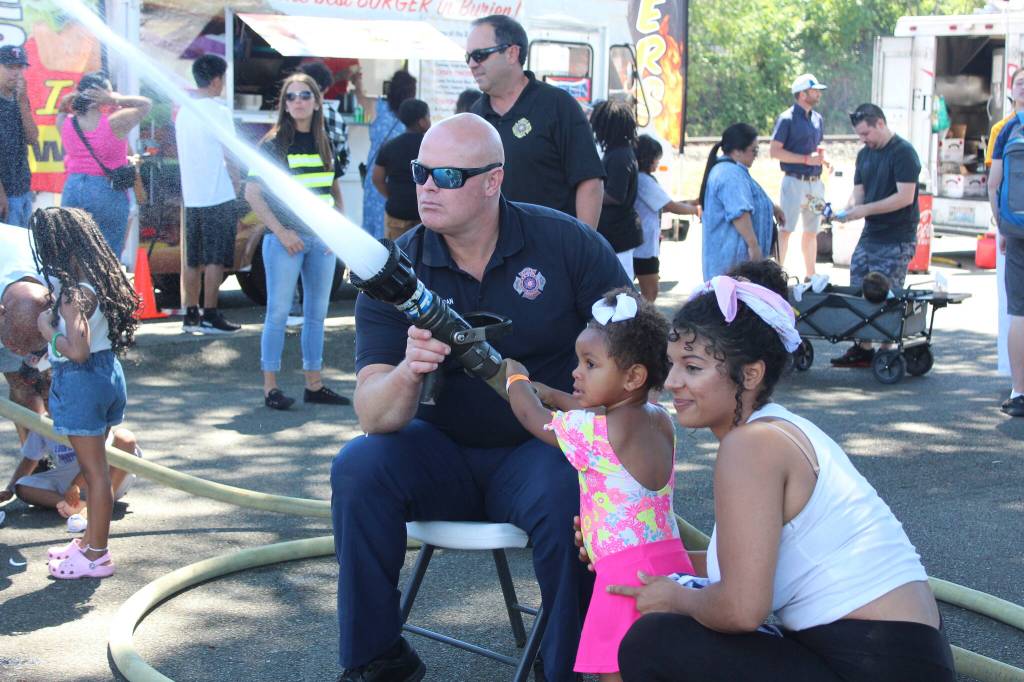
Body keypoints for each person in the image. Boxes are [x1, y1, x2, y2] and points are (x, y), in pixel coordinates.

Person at [329, 113, 630, 682]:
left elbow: (638, 355)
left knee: (569, 487)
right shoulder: (393, 271)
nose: (425, 186)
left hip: (538, 449)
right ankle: (376, 658)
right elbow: (373, 414)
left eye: (445, 175)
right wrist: (409, 372)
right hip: (437, 451)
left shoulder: (566, 244)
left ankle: (569, 667)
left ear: (493, 181)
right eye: (420, 171)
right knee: (358, 467)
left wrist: (575, 410)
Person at [612, 260, 955, 682]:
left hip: (872, 661)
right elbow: (735, 568)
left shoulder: (752, 446)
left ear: (751, 374)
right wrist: (621, 552)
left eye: (693, 367)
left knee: (655, 640)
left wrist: (675, 597)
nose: (672, 382)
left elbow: (740, 608)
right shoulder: (774, 428)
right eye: (672, 364)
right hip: (892, 655)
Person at [505, 288, 693, 681]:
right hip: (670, 563)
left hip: (622, 576)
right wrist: (557, 394)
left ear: (633, 376)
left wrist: (516, 379)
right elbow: (597, 408)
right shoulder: (659, 418)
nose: (576, 371)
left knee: (617, 671)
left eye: (590, 364)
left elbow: (530, 416)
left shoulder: (594, 434)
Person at [29, 207, 139, 580]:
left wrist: (48, 331)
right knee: (95, 470)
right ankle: (89, 542)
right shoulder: (96, 283)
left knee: (94, 474)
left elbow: (76, 350)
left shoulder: (72, 295)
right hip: (106, 375)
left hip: (82, 382)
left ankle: (96, 554)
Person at [245, 74, 349, 411]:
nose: (298, 101)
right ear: (284, 105)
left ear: (317, 101)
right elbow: (252, 193)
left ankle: (314, 384)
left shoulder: (324, 140)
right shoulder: (274, 143)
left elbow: (333, 189)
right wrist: (280, 231)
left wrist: (338, 228)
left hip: (321, 240)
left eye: (305, 95)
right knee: (277, 313)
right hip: (285, 241)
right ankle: (270, 388)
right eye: (291, 97)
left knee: (317, 315)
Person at [468, 15, 605, 227]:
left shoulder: (557, 105)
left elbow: (589, 181)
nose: (472, 64)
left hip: (552, 246)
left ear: (512, 53)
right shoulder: (476, 116)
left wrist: (584, 247)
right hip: (492, 253)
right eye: (467, 57)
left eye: (479, 55)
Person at [833, 103, 921, 368]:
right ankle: (863, 346)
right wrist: (844, 210)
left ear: (880, 124)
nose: (863, 140)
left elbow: (905, 197)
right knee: (858, 287)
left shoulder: (904, 153)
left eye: (866, 134)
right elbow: (858, 194)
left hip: (897, 236)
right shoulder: (864, 155)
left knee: (888, 292)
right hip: (870, 233)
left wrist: (863, 210)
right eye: (860, 135)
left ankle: (887, 347)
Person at [175, 54, 241, 335]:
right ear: (216, 80)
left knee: (192, 259)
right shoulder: (219, 111)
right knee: (215, 259)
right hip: (218, 195)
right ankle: (211, 314)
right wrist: (237, 186)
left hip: (192, 198)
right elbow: (232, 154)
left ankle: (190, 314)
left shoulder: (184, 112)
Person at [58, 72, 151, 257]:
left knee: (73, 254)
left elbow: (61, 110)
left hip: (72, 187)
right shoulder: (116, 122)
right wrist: (114, 99)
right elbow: (145, 104)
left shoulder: (65, 122)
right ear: (101, 96)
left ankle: (76, 286)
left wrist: (67, 100)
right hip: (105, 190)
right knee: (106, 253)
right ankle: (102, 286)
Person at [1, 427, 142, 524]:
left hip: (108, 472)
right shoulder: (42, 423)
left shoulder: (84, 409)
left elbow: (95, 455)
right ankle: (76, 507)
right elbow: (29, 461)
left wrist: (76, 483)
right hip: (71, 481)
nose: (49, 401)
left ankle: (103, 504)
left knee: (125, 437)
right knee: (23, 486)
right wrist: (10, 489)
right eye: (44, 398)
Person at [697, 123, 783, 280]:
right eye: (753, 150)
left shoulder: (732, 170)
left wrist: (772, 208)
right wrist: (754, 246)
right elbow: (739, 212)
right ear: (737, 151)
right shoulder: (729, 174)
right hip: (732, 267)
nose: (756, 155)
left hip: (733, 267)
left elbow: (750, 196)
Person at [986, 67, 1024, 417]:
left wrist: (1003, 226)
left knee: (1019, 313)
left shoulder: (1006, 128)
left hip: (1018, 232)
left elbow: (994, 184)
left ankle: (1019, 391)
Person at [770, 74, 828, 279]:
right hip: (794, 181)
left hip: (815, 182)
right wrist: (805, 160)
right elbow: (775, 151)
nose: (818, 94)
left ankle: (811, 275)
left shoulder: (817, 118)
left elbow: (816, 148)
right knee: (786, 229)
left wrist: (823, 159)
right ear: (802, 94)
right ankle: (776, 273)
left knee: (812, 230)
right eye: (814, 91)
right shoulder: (786, 119)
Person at [634, 135, 698, 302]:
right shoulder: (644, 180)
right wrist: (695, 210)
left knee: (647, 291)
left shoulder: (641, 178)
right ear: (648, 158)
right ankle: (642, 324)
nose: (658, 162)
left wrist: (692, 203)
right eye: (656, 158)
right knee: (650, 292)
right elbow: (670, 206)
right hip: (644, 247)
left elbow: (666, 203)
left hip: (644, 243)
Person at [358, 69, 417, 239]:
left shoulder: (376, 106)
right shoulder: (412, 114)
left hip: (376, 170)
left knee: (373, 218)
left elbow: (360, 97)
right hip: (401, 173)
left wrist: (357, 80)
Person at [591, 100, 642, 280]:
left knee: (621, 288)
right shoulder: (618, 152)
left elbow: (615, 195)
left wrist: (587, 194)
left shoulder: (619, 156)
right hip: (618, 232)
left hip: (619, 233)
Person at [372, 98, 430, 240]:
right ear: (421, 121)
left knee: (397, 257)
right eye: (428, 116)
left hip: (396, 213)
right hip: (424, 214)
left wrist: (392, 196)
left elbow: (377, 178)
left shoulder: (390, 146)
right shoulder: (430, 147)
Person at [0, 45, 38, 228]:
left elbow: (32, 138)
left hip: (22, 188)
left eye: (19, 67)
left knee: (22, 251)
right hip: (4, 192)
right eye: (9, 67)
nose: (15, 73)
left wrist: (23, 102)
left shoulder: (19, 98)